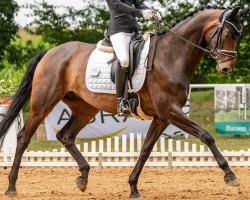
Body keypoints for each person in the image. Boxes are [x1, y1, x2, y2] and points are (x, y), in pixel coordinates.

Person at [105, 0, 161, 117]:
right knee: (124, 60)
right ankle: (121, 101)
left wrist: (151, 11)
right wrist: (141, 13)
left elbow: (138, 3)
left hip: (134, 30)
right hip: (118, 30)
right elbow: (119, 6)